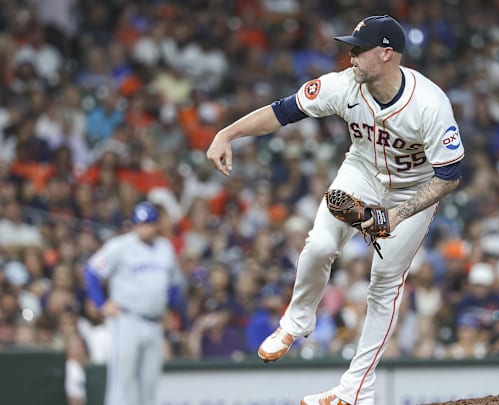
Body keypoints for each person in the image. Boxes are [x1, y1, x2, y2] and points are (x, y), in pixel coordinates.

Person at [206, 15, 464, 405]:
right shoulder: (342, 86)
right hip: (361, 171)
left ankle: (354, 391)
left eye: (359, 50)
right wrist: (227, 133)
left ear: (387, 53)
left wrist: (396, 216)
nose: (350, 56)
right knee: (320, 245)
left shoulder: (429, 104)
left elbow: (450, 175)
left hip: (413, 189)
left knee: (384, 285)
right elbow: (282, 111)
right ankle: (295, 324)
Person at [84, 202, 185, 405]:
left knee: (149, 384)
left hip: (155, 323)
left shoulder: (165, 248)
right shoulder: (120, 246)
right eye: (139, 224)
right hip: (127, 320)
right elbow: (91, 271)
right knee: (122, 382)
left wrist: (171, 309)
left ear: (156, 225)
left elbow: (175, 284)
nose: (142, 228)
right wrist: (101, 304)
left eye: (147, 224)